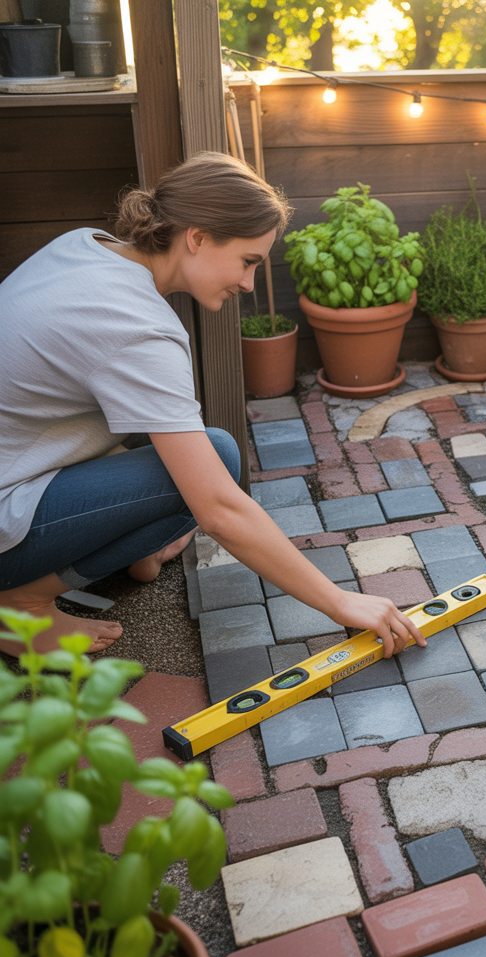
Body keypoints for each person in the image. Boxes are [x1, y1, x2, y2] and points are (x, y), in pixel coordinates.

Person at [0, 152, 425, 659]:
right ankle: (21, 602)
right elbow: (220, 509)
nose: (248, 284)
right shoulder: (138, 331)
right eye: (248, 261)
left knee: (191, 462)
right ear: (197, 237)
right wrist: (339, 602)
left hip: (16, 466)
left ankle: (124, 551)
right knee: (214, 462)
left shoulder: (85, 246)